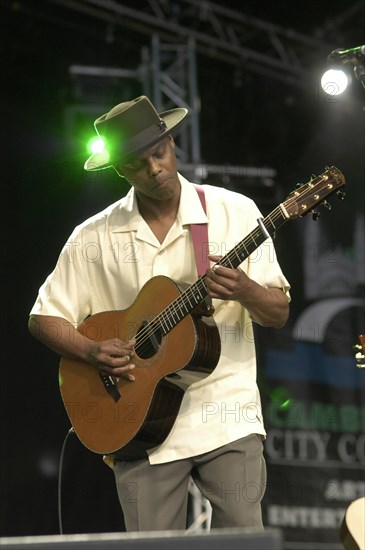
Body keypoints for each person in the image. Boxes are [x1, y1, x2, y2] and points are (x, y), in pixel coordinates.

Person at [28, 95, 290, 532]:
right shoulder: (92, 236)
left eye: (159, 153)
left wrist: (245, 289)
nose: (154, 169)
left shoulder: (234, 211)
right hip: (138, 425)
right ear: (118, 170)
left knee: (244, 538)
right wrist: (92, 350)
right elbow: (44, 318)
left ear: (171, 142)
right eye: (137, 164)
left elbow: (278, 313)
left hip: (226, 413)